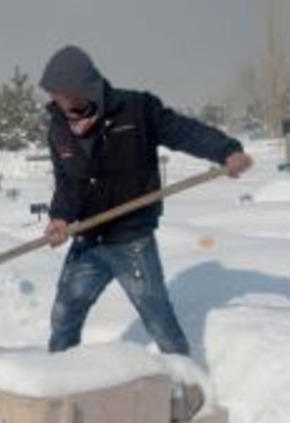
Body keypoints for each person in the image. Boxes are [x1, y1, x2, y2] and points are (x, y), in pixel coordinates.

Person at [40, 45, 253, 356]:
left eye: (61, 93)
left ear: (82, 88)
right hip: (88, 238)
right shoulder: (59, 128)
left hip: (131, 240)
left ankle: (188, 385)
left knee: (158, 320)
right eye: (53, 94)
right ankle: (58, 380)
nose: (55, 101)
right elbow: (67, 183)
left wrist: (227, 151)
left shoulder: (136, 109)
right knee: (63, 316)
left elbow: (185, 132)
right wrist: (60, 217)